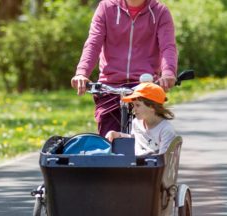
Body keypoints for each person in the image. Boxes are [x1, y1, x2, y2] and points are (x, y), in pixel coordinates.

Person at [70, 0, 178, 136]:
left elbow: (167, 46)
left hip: (144, 84)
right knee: (108, 138)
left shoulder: (160, 11)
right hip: (110, 84)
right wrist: (82, 73)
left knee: (150, 138)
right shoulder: (106, 8)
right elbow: (93, 43)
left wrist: (168, 73)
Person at [105, 83, 176, 156]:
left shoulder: (166, 130)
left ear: (152, 107)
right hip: (137, 164)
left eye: (138, 105)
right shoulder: (136, 122)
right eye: (133, 105)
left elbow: (164, 159)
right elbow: (135, 137)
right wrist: (117, 134)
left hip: (152, 166)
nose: (133, 109)